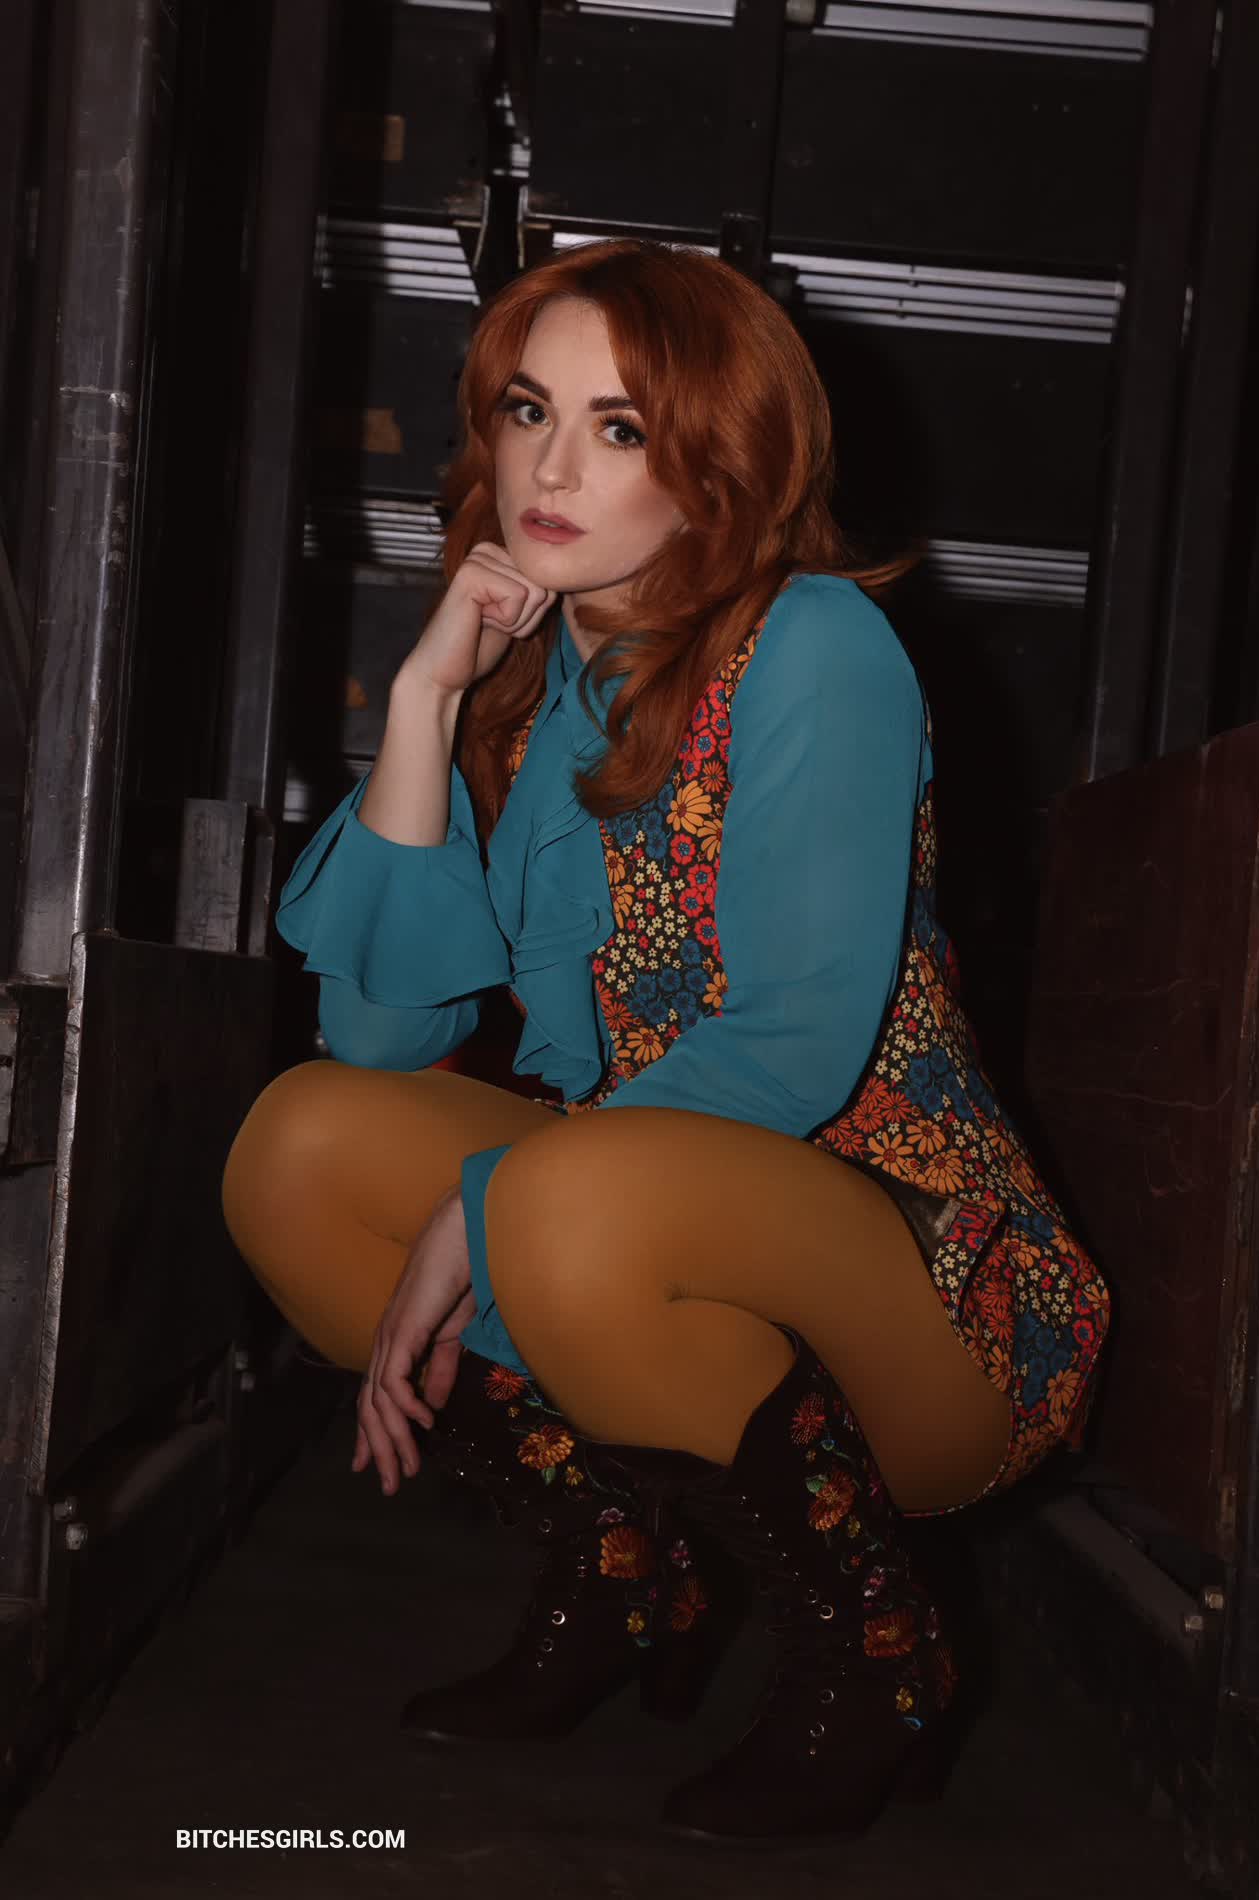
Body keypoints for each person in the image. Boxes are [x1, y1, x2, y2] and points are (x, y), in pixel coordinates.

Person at [221, 236, 1111, 1846]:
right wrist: (426, 704)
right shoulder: (523, 686)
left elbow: (795, 1046)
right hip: (622, 1230)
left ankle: (881, 1657)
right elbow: (379, 1033)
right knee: (302, 1144)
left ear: (718, 464)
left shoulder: (813, 643)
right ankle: (627, 1576)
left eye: (619, 428)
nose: (551, 470)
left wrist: (480, 1210)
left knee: (558, 1196)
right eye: (528, 411)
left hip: (927, 1290)